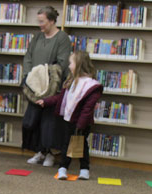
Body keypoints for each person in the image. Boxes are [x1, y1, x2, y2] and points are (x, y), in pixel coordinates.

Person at [36, 51, 103, 180]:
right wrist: (46, 101)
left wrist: (80, 126)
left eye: (71, 63)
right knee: (66, 144)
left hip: (82, 123)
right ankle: (63, 168)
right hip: (69, 120)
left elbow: (87, 109)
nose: (68, 66)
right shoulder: (71, 81)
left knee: (82, 145)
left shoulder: (92, 86)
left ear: (78, 64)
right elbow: (60, 98)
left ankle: (84, 169)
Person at [22, 5, 71, 167]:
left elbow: (62, 63)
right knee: (34, 120)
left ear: (51, 21)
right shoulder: (37, 37)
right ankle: (39, 151)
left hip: (52, 87)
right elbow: (28, 57)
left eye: (42, 22)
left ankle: (50, 153)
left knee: (50, 122)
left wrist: (45, 77)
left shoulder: (62, 38)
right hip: (34, 86)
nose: (40, 25)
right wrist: (30, 76)